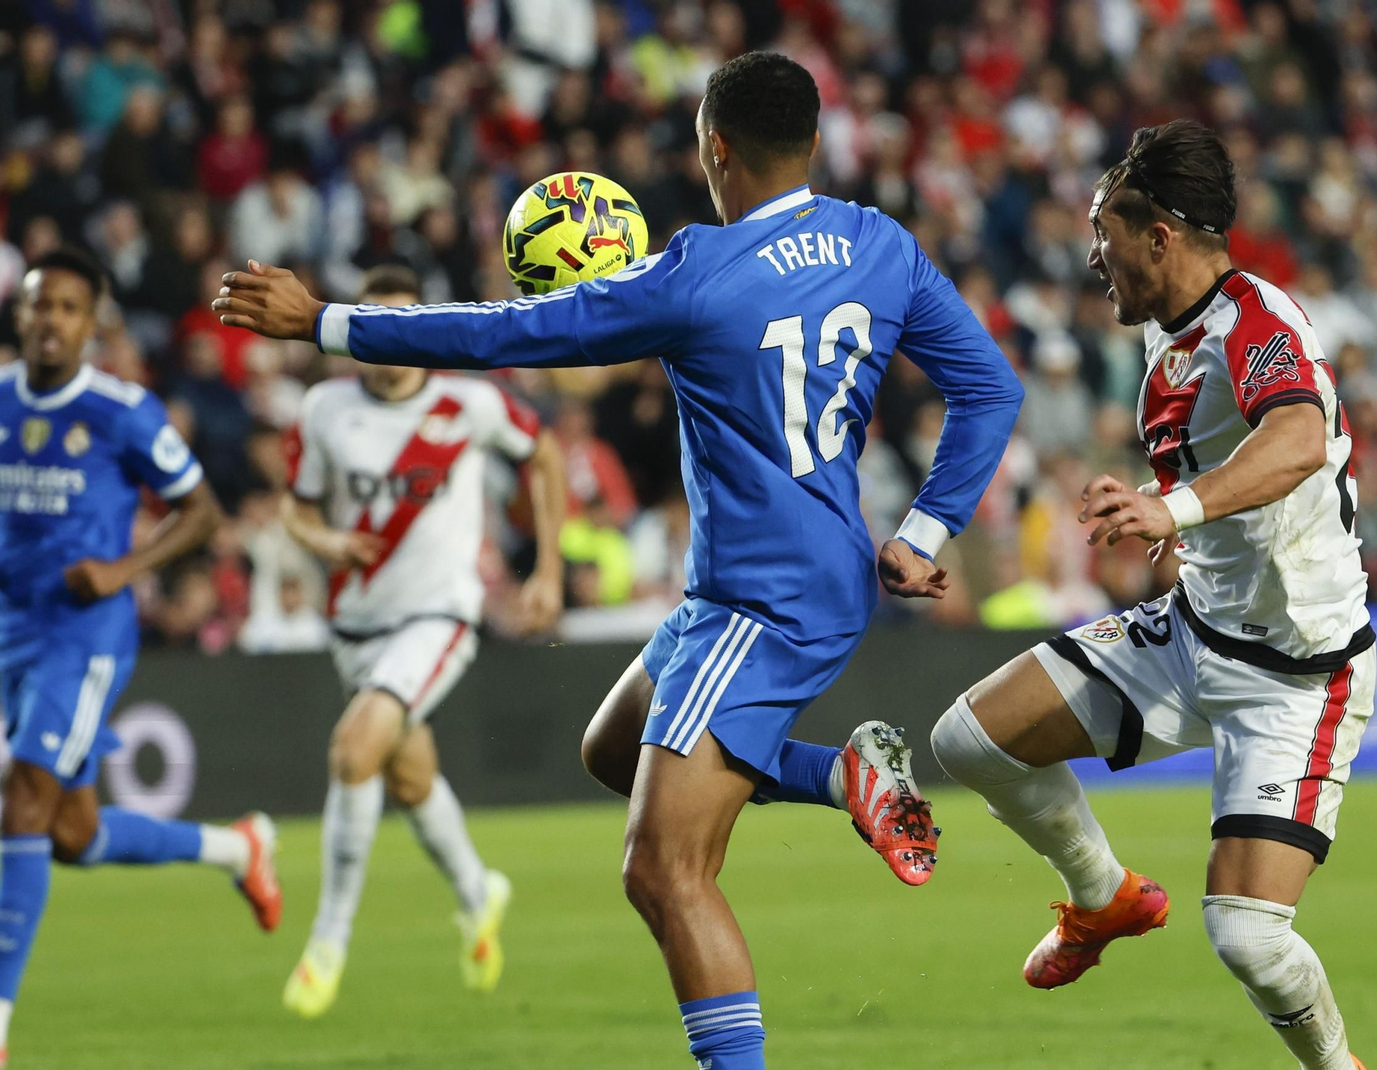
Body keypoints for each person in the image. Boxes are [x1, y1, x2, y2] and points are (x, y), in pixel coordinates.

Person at [215, 53, 1022, 1070]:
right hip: (777, 579)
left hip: (761, 603)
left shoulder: (694, 277)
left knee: (662, 867)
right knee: (611, 746)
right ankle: (842, 771)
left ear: (712, 147)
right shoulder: (880, 243)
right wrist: (925, 529)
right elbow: (989, 386)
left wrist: (324, 321)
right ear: (815, 143)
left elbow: (508, 330)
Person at [926, 120, 1371, 1070]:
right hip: (1194, 630)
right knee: (969, 739)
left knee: (1249, 940)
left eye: (1105, 228)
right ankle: (1103, 897)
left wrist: (1173, 508)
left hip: (1297, 675)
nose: (1094, 252)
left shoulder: (1257, 321)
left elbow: (1296, 439)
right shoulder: (1170, 338)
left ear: (1159, 235)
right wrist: (1159, 521)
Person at [0, 248, 283, 1070]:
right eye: (40, 305)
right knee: (71, 834)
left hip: (87, 638)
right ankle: (239, 849)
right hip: (14, 627)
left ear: (92, 320)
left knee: (22, 793)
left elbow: (201, 513)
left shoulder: (123, 411)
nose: (51, 321)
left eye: (69, 308)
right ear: (21, 315)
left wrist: (122, 570)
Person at [278, 265, 568, 1017]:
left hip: (438, 617)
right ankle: (479, 893)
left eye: (407, 327)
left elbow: (544, 455)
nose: (394, 345)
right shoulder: (323, 408)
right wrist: (326, 540)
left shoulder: (468, 403)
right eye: (379, 327)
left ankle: (328, 939)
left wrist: (548, 571)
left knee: (353, 749)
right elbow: (296, 509)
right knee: (406, 779)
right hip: (354, 624)